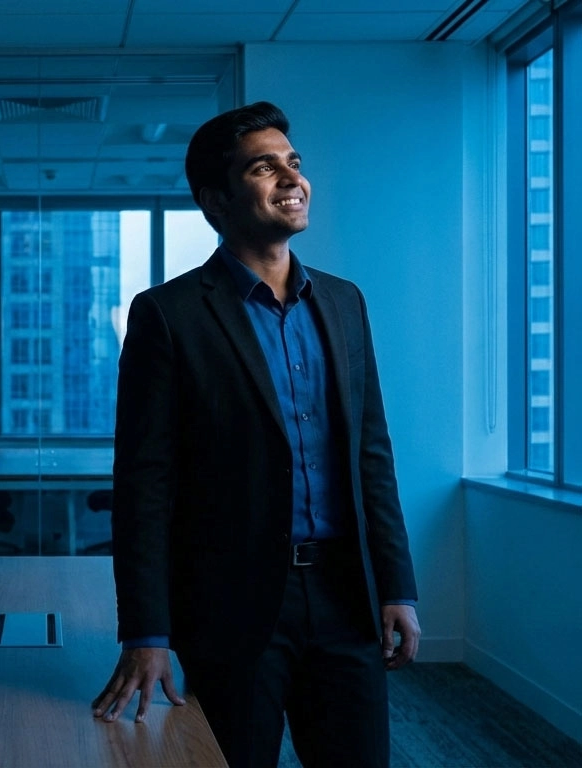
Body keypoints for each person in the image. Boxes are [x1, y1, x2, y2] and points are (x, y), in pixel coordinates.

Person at [92, 101, 421, 768]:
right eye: (263, 168)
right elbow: (145, 486)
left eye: (293, 164)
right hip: (232, 608)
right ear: (215, 201)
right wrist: (146, 633)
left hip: (344, 598)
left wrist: (396, 587)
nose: (290, 179)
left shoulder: (342, 301)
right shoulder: (169, 315)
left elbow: (370, 456)